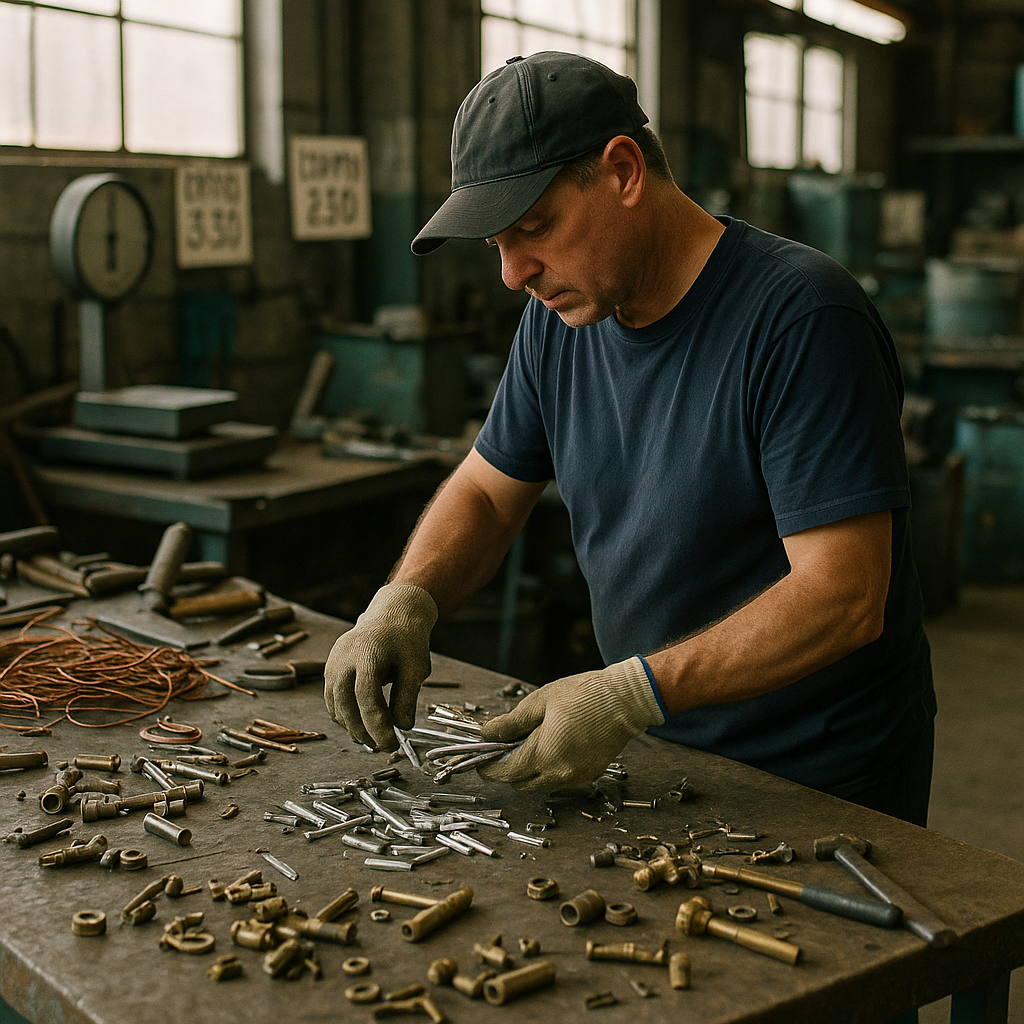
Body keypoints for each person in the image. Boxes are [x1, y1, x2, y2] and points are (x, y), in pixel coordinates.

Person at [323, 50, 936, 827]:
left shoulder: (803, 319)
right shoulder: (557, 325)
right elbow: (486, 487)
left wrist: (631, 691)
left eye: (534, 228)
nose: (515, 274)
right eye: (496, 246)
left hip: (820, 785)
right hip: (654, 756)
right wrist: (406, 598)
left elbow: (844, 595)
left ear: (622, 172)